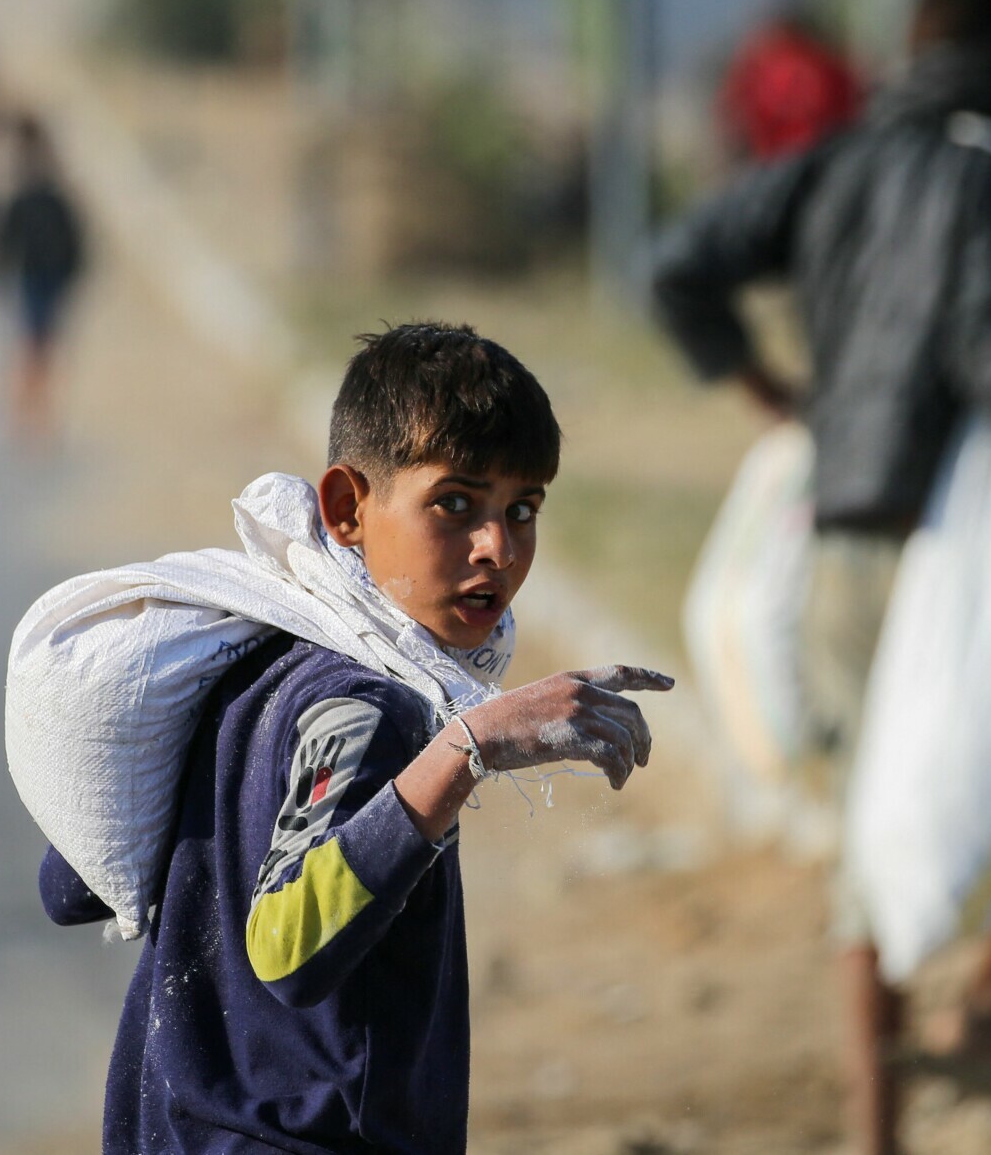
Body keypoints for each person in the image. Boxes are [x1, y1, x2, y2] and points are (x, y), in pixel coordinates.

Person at [651, 0, 991, 1154]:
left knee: (867, 844)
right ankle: (979, 1012)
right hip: (941, 552)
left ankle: (876, 1131)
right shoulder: (978, 169)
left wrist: (770, 394)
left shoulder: (832, 159)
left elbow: (678, 262)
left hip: (834, 539)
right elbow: (985, 327)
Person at [37, 322, 672, 1154]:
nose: (498, 547)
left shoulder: (247, 654)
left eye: (522, 509)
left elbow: (70, 883)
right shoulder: (369, 706)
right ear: (346, 509)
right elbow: (288, 946)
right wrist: (469, 746)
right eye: (456, 503)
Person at [0, 113, 85, 440]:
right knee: (35, 351)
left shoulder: (42, 193)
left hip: (47, 279)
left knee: (39, 351)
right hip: (35, 279)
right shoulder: (32, 193)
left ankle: (31, 418)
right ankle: (27, 418)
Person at [715, 0, 864, 164]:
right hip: (826, 166)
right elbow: (855, 112)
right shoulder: (831, 63)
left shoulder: (756, 65)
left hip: (776, 169)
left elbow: (732, 122)